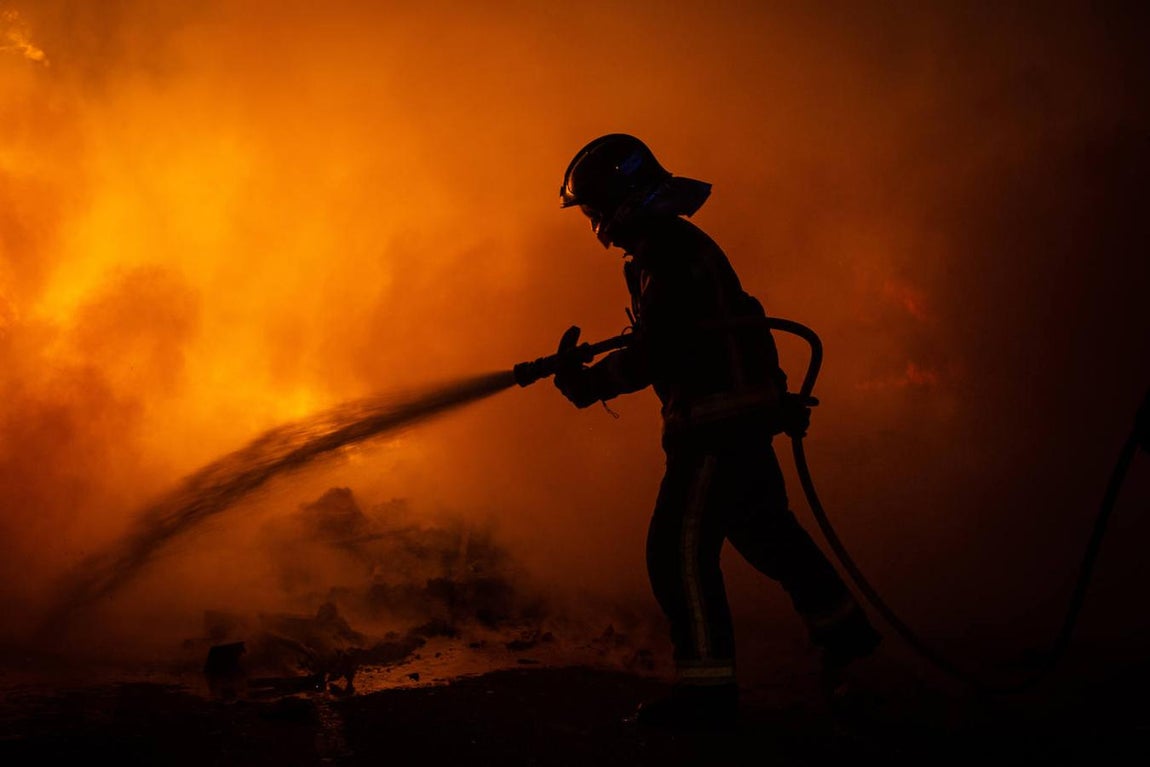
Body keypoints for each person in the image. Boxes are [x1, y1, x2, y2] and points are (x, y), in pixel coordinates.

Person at [553, 134, 881, 728]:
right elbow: (702, 331)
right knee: (768, 538)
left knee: (676, 553)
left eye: (596, 210)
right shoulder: (668, 251)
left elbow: (664, 351)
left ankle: (707, 693)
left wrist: (591, 385)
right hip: (737, 421)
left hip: (714, 431)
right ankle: (850, 643)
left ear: (620, 203)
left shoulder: (670, 254)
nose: (596, 224)